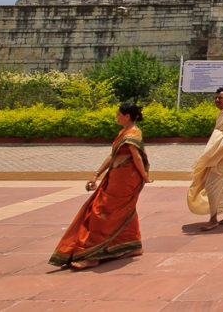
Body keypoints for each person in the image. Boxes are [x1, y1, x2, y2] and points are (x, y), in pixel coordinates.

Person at [49, 102, 150, 269]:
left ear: (127, 116)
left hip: (125, 179)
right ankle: (131, 245)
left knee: (101, 212)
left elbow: (137, 158)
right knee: (123, 210)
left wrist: (144, 177)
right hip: (116, 177)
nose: (116, 117)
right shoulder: (123, 132)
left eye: (118, 114)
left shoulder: (133, 134)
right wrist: (97, 174)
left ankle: (93, 254)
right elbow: (113, 156)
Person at [187, 86, 223, 231]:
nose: (217, 100)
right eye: (216, 98)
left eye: (221, 98)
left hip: (222, 157)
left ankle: (213, 219)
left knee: (212, 187)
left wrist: (216, 146)